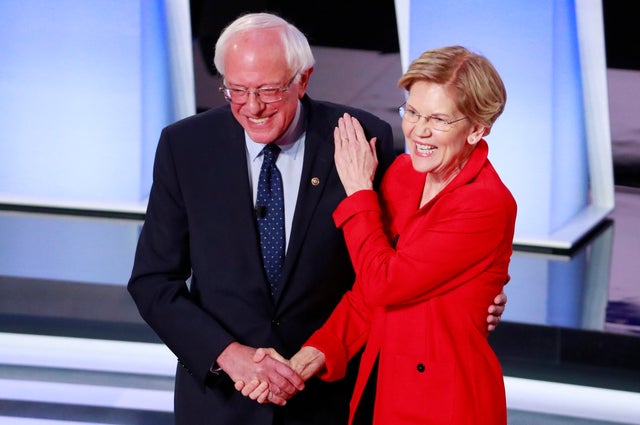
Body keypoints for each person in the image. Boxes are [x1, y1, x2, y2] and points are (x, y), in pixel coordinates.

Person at [127, 11, 507, 424]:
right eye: (236, 90)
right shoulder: (186, 146)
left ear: (302, 79)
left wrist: (471, 294)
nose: (252, 106)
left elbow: (386, 271)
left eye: (269, 90)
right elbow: (152, 281)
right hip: (222, 400)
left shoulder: (361, 139)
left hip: (335, 404)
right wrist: (233, 357)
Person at [241, 45, 517, 424]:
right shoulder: (403, 175)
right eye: (413, 112)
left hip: (448, 403)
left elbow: (385, 283)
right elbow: (366, 298)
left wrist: (359, 192)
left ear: (477, 129)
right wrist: (304, 360)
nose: (419, 130)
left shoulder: (485, 204)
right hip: (383, 389)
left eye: (438, 119)